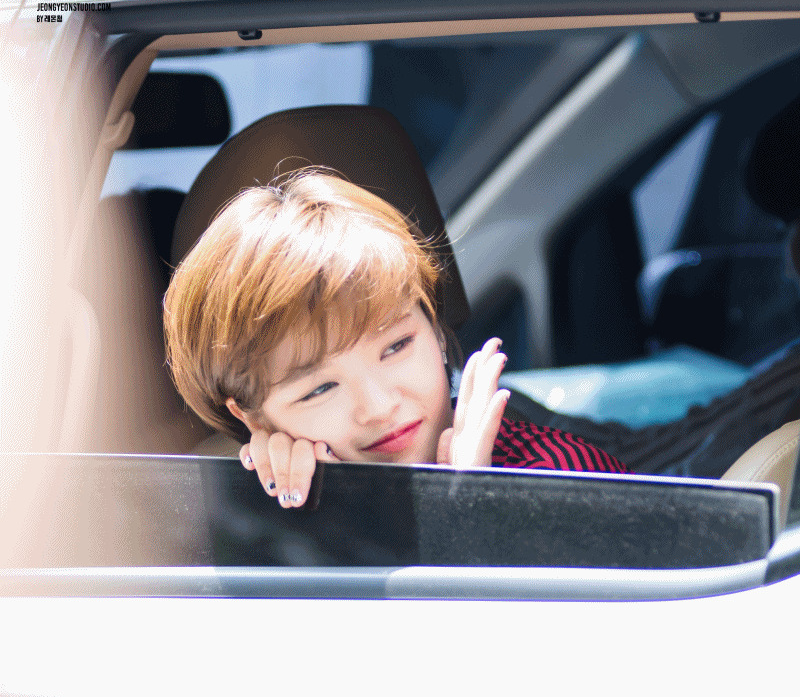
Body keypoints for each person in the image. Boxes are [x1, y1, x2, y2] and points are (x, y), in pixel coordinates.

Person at [164, 168, 629, 509]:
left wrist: (473, 514)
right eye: (319, 389)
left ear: (435, 330)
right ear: (252, 417)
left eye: (396, 346)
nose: (379, 406)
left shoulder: (565, 481)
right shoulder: (241, 529)